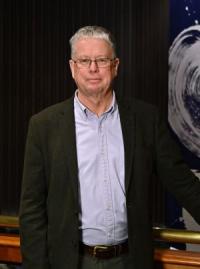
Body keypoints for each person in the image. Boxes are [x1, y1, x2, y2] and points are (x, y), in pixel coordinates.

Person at [19, 25, 200, 269]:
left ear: (115, 66)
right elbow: (31, 210)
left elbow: (182, 182)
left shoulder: (145, 119)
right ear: (73, 68)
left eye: (101, 60)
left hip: (130, 260)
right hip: (71, 262)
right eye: (84, 60)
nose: (93, 68)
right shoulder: (44, 126)